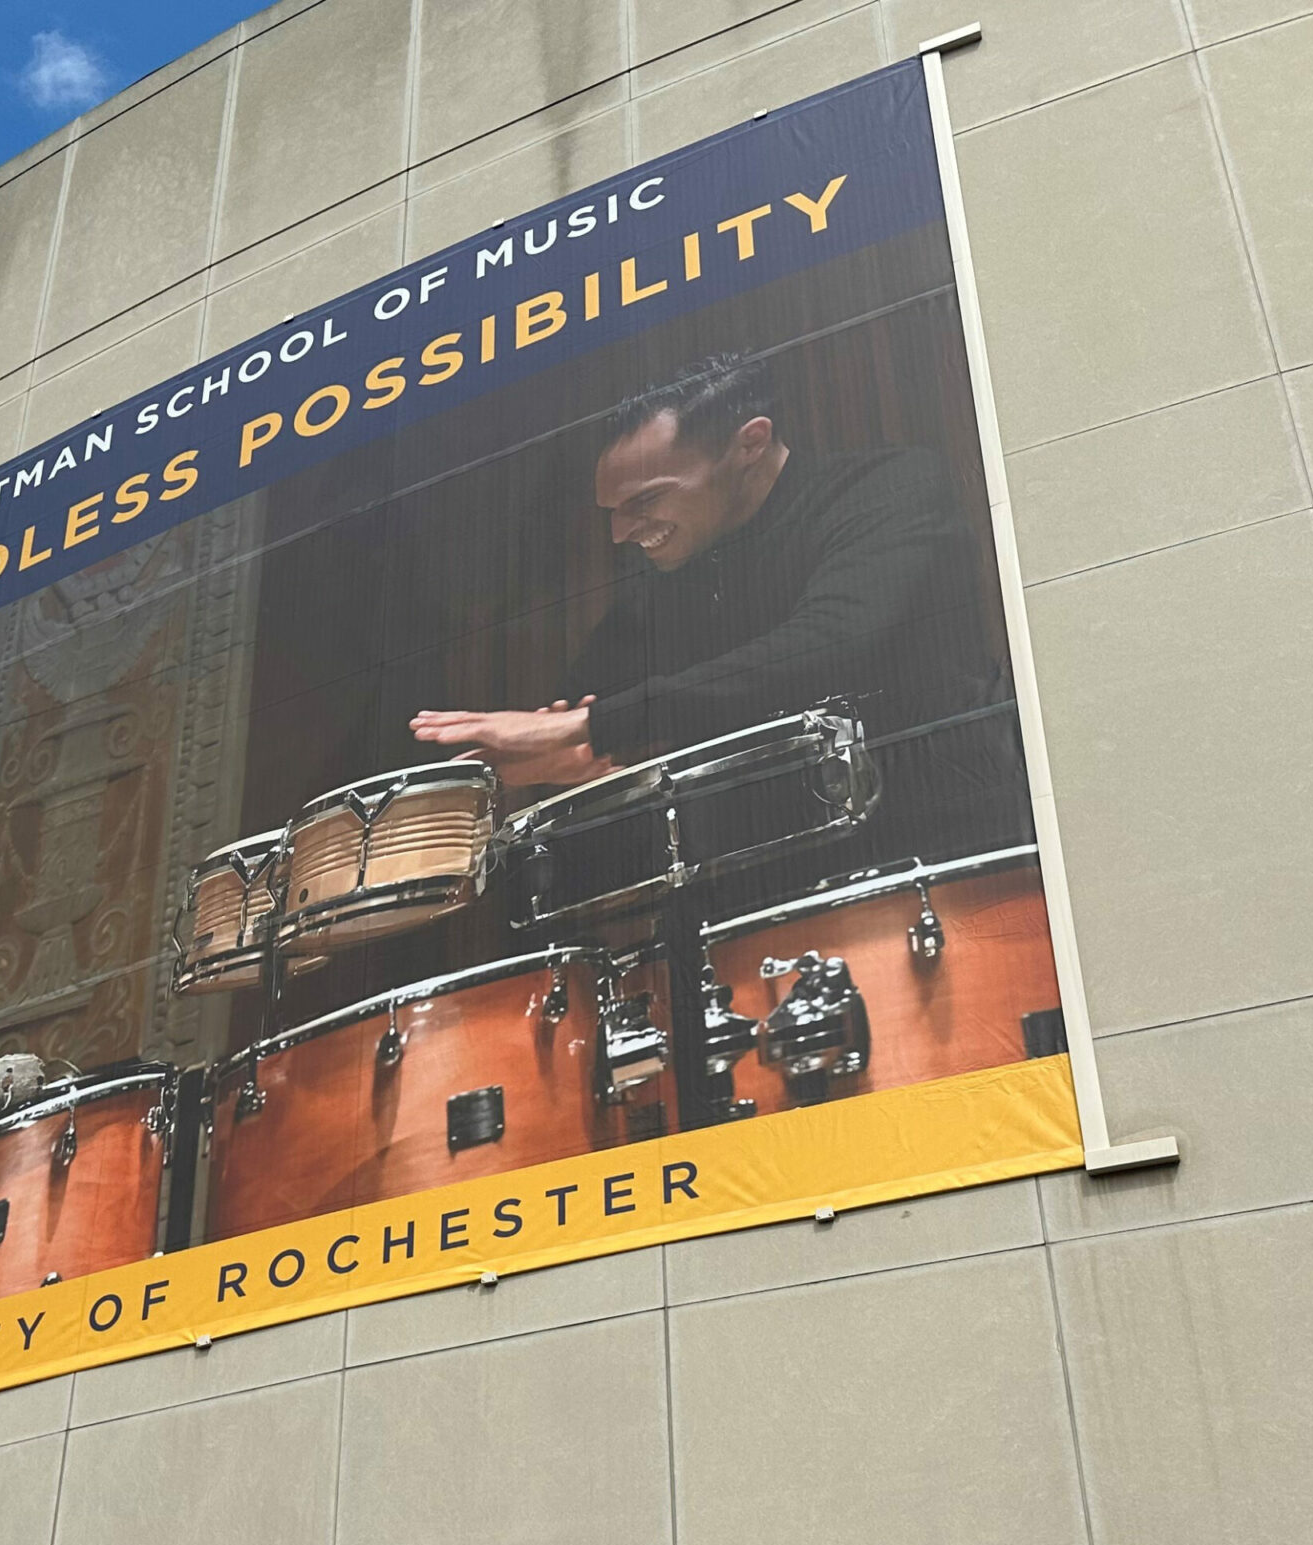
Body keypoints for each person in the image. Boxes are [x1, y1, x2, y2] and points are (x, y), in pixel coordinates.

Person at [409, 351, 1033, 1115]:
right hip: (739, 932)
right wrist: (552, 752)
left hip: (946, 889)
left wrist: (597, 726)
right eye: (610, 511)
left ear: (748, 444)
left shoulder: (889, 490)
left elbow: (828, 645)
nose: (620, 533)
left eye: (643, 500)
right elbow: (581, 714)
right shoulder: (664, 587)